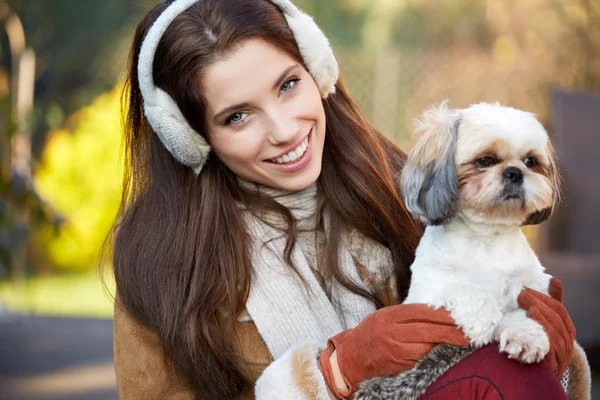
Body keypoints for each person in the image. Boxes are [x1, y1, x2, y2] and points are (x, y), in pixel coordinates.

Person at [110, 0, 591, 399]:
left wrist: (554, 353)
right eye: (238, 116)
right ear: (191, 138)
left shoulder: (408, 186)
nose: (284, 131)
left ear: (318, 72)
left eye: (288, 85)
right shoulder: (160, 262)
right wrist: (332, 374)